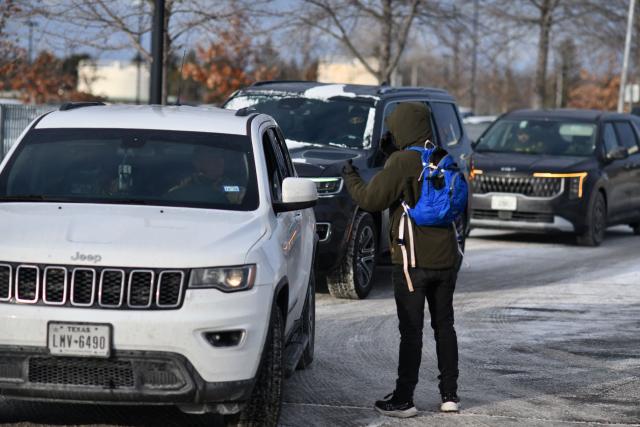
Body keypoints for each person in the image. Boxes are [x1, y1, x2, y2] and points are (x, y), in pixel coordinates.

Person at [342, 102, 461, 417]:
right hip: (447, 257)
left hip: (411, 260)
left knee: (411, 330)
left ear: (401, 127)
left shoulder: (401, 161)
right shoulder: (441, 158)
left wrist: (350, 176)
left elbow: (371, 199)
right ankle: (450, 395)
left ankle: (404, 398)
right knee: (444, 326)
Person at [168, 146, 244, 204]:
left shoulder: (231, 187)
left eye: (220, 157)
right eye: (212, 158)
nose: (219, 161)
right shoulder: (185, 185)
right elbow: (172, 196)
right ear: (197, 163)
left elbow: (240, 193)